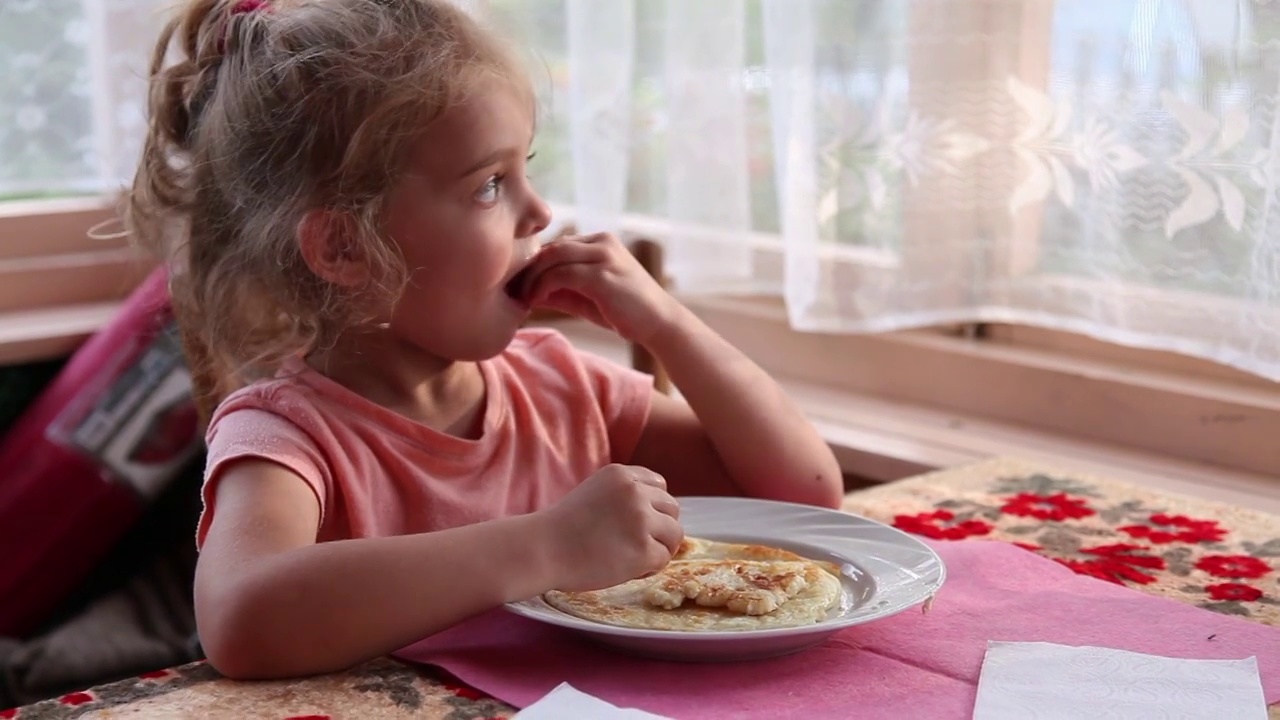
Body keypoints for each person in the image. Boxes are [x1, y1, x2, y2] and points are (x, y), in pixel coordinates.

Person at [126, 0, 843, 680]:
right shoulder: (288, 435)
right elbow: (241, 620)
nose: (540, 211)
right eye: (491, 185)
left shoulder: (561, 389)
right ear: (347, 246)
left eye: (528, 166)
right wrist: (547, 545)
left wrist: (669, 326)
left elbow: (802, 494)